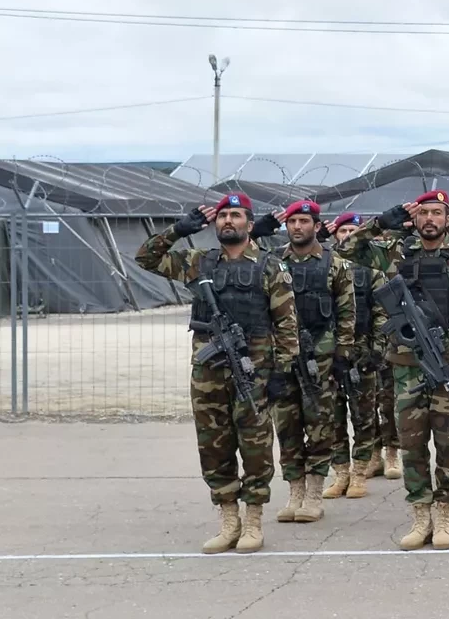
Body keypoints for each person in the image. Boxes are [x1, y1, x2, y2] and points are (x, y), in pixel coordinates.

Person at [135, 194, 298, 554]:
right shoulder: (198, 262)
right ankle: (228, 518)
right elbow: (145, 258)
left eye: (236, 215)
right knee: (213, 446)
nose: (228, 221)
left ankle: (253, 519)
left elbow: (286, 323)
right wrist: (178, 230)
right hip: (208, 371)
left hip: (252, 371)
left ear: (249, 224)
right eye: (222, 216)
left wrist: (281, 372)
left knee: (255, 447)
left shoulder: (270, 267)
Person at [336, 191, 449, 550]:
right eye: (424, 213)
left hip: (447, 366)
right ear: (415, 218)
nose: (430, 219)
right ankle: (420, 513)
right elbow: (344, 253)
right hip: (406, 366)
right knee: (411, 445)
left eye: (437, 212)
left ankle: (445, 513)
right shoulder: (396, 251)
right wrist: (379, 224)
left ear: (446, 217)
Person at [252, 199, 353, 525]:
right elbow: (235, 249)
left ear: (317, 225)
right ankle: (294, 490)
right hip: (282, 356)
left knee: (320, 425)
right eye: (292, 222)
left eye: (304, 221)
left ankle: (313, 492)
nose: (297, 227)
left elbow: (347, 314)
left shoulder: (334, 264)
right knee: (287, 425)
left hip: (319, 358)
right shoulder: (271, 262)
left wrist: (342, 356)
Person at [326, 213, 380, 497]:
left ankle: (360, 472)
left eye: (353, 230)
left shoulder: (371, 271)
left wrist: (377, 349)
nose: (348, 235)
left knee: (363, 416)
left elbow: (382, 313)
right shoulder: (326, 267)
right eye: (343, 230)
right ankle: (341, 473)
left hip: (361, 352)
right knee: (333, 417)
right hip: (330, 353)